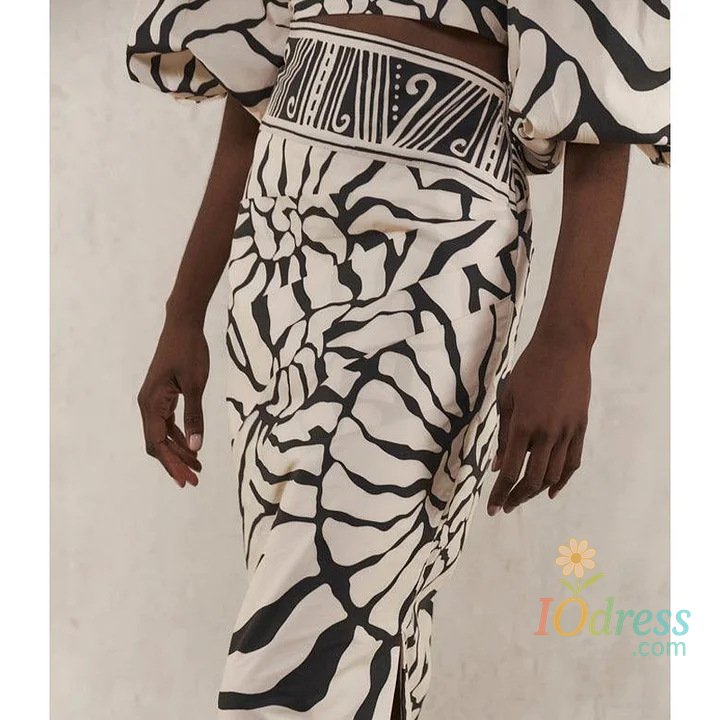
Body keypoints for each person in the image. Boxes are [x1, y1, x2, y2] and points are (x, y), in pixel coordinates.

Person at [127, 2, 670, 718]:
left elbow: (602, 71)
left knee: (320, 596)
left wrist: (570, 336)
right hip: (280, 233)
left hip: (440, 239)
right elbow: (253, 75)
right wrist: (183, 311)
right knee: (364, 620)